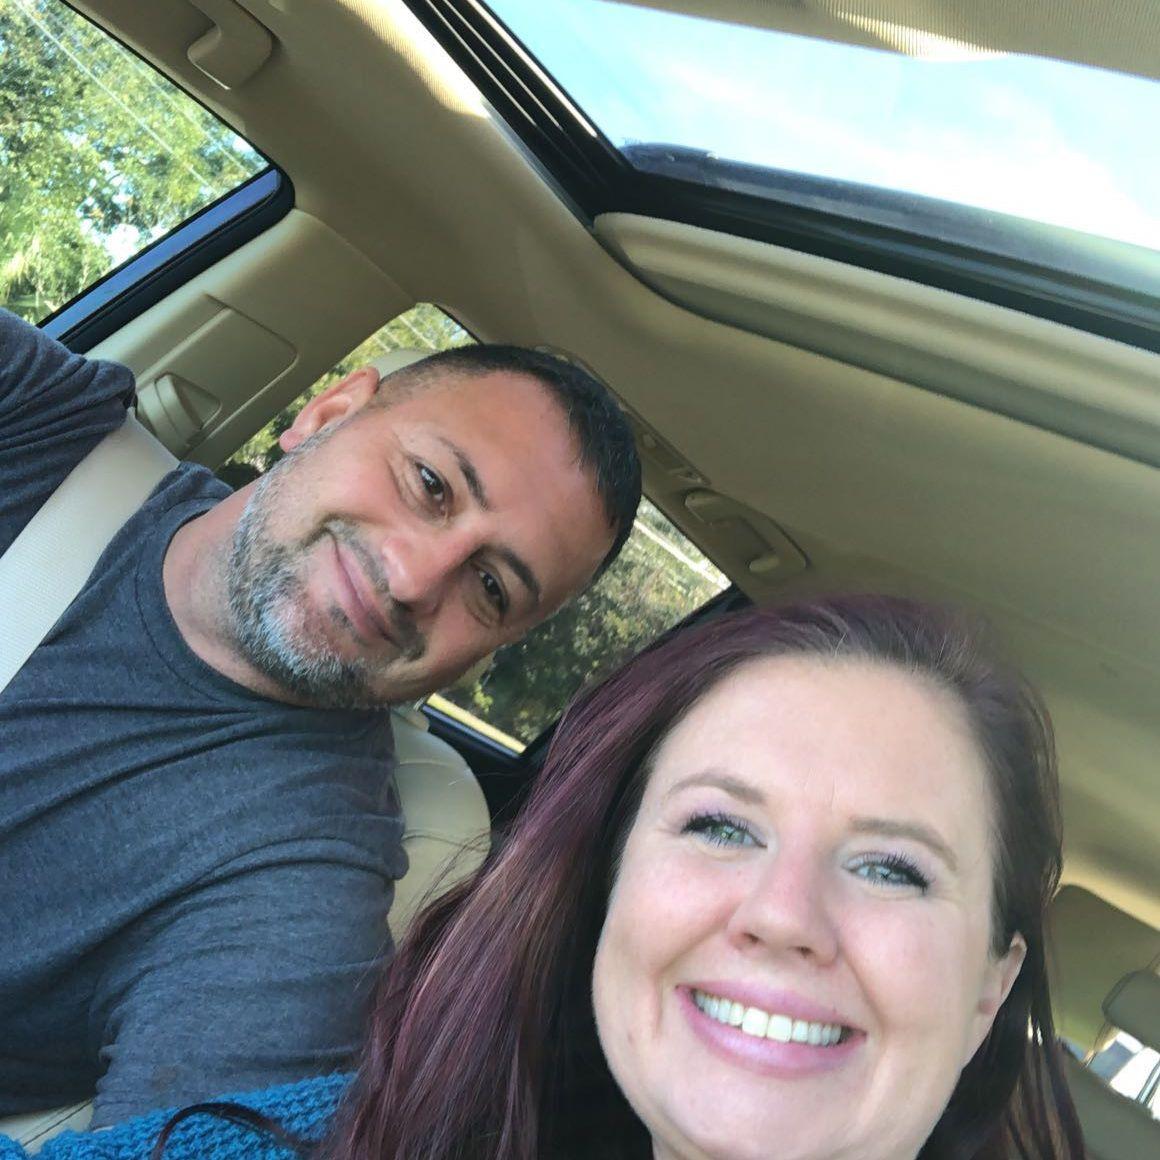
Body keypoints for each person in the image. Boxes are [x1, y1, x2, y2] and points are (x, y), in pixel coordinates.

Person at [13, 595, 1084, 1159]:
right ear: (609, 882)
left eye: (891, 867)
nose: (781, 913)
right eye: (718, 825)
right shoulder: (385, 1127)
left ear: (988, 990)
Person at [0, 307, 641, 1127]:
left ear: (488, 651)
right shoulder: (47, 426)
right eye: (430, 485)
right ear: (328, 413)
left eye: (490, 587)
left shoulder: (303, 893)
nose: (411, 578)